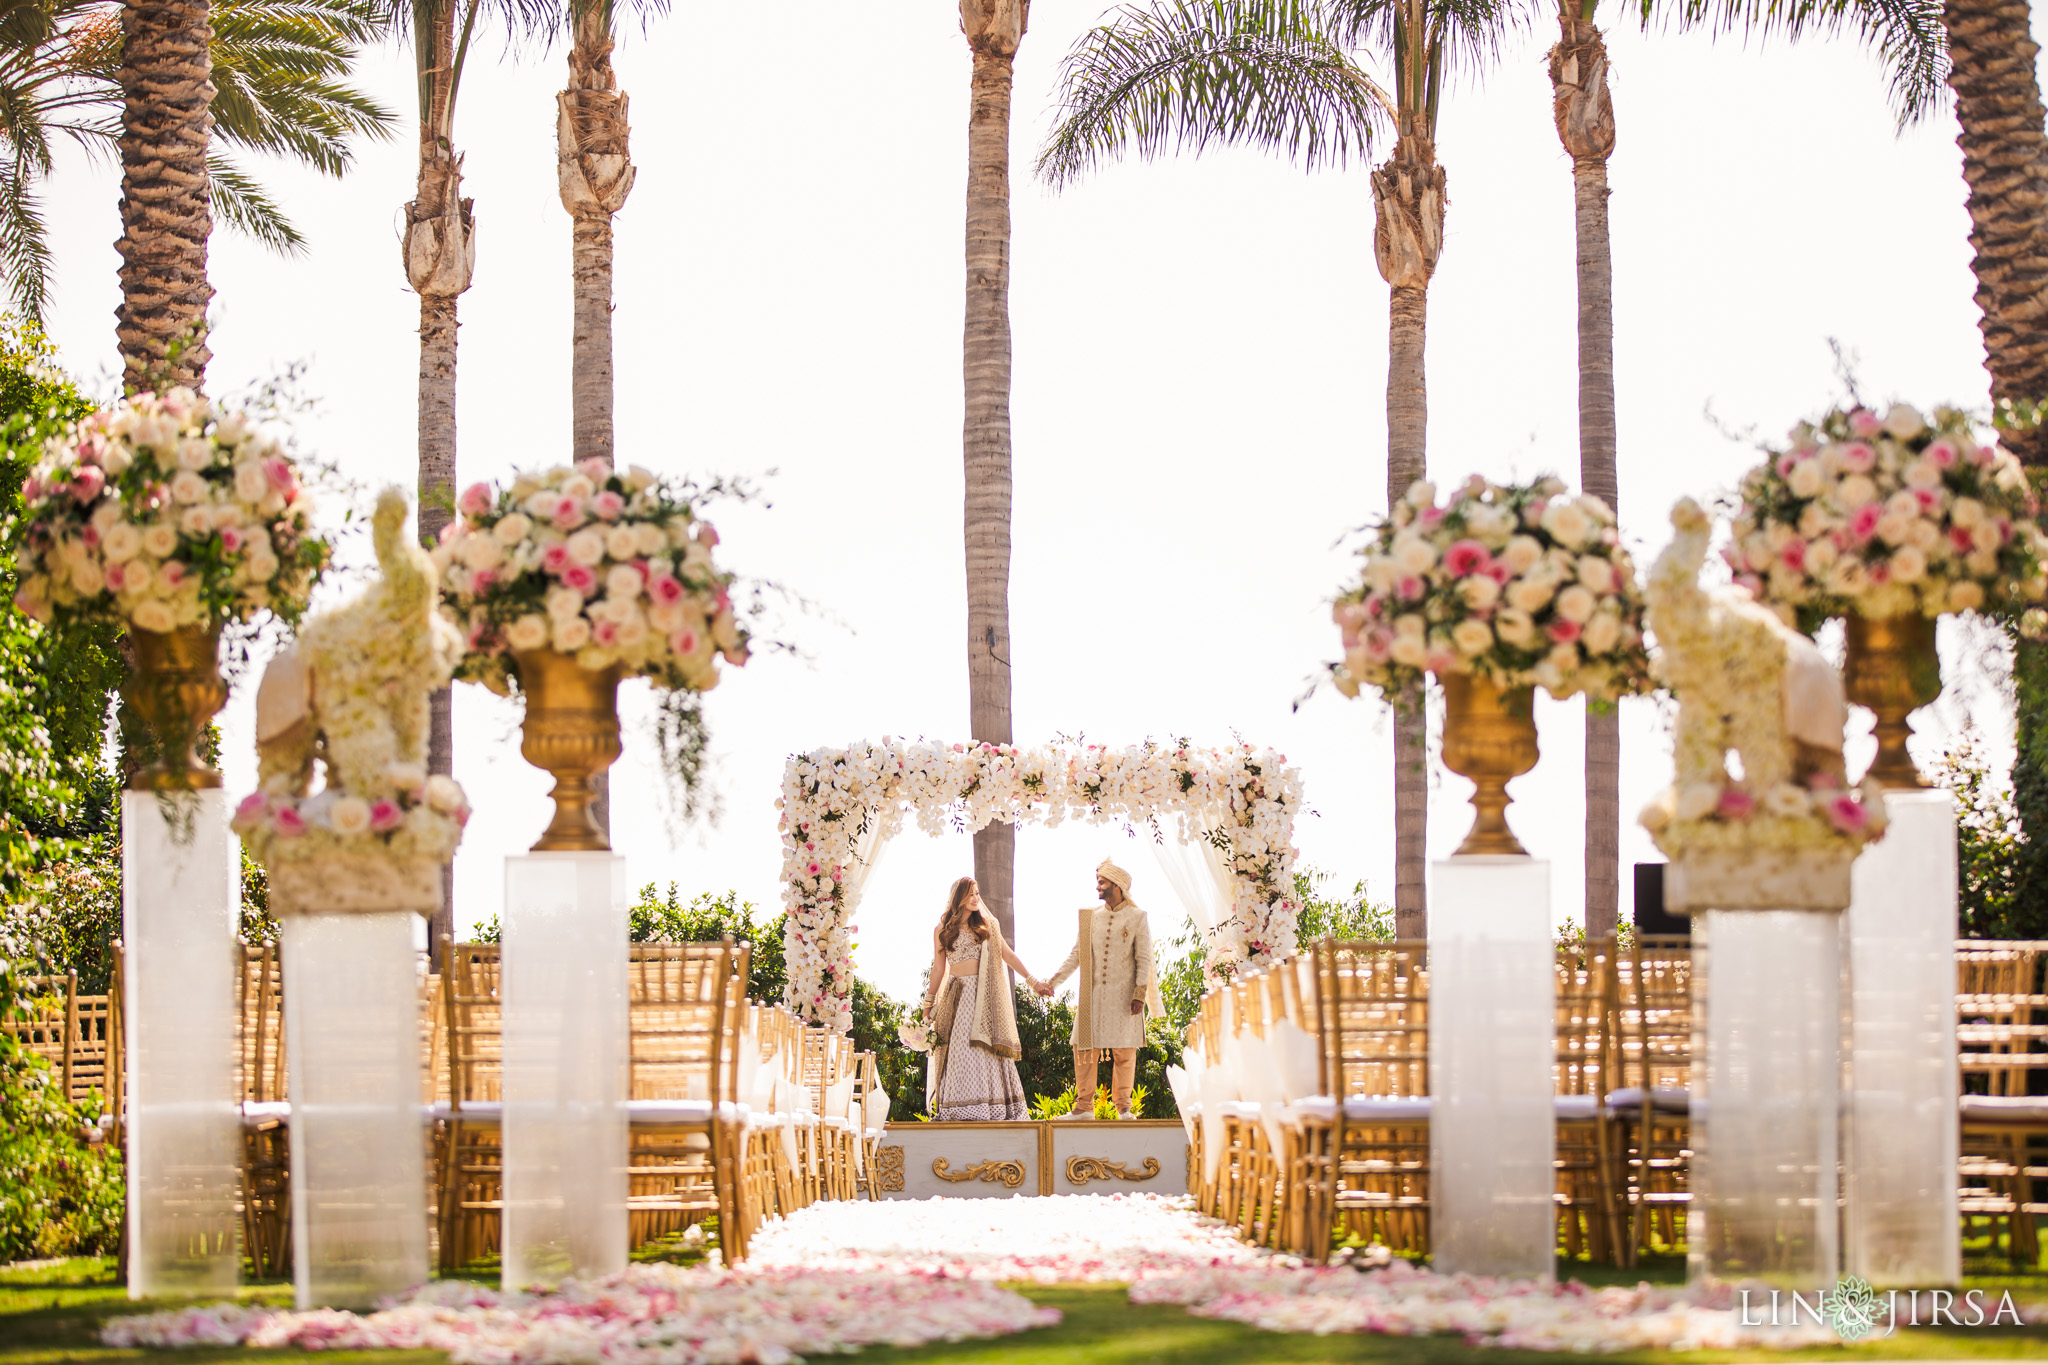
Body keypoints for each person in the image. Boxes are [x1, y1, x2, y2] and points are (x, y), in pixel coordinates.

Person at [1039, 858, 1162, 1121]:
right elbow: (1077, 955)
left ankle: (1124, 1109)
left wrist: (1139, 993)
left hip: (1124, 997)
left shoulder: (1138, 917)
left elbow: (1144, 958)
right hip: (1092, 997)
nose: (1098, 887)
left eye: (1102, 882)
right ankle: (1083, 1108)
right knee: (1082, 1048)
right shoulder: (1091, 917)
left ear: (1117, 885)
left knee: (1125, 1052)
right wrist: (1053, 982)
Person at [924, 876, 1042, 1121]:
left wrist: (1032, 981)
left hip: (983, 997)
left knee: (984, 1049)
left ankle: (992, 1107)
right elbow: (938, 969)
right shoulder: (942, 930)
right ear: (959, 897)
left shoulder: (986, 927)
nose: (976, 898)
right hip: (956, 996)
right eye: (971, 894)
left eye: (977, 893)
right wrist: (928, 1003)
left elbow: (1007, 955)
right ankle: (959, 1108)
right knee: (959, 1050)